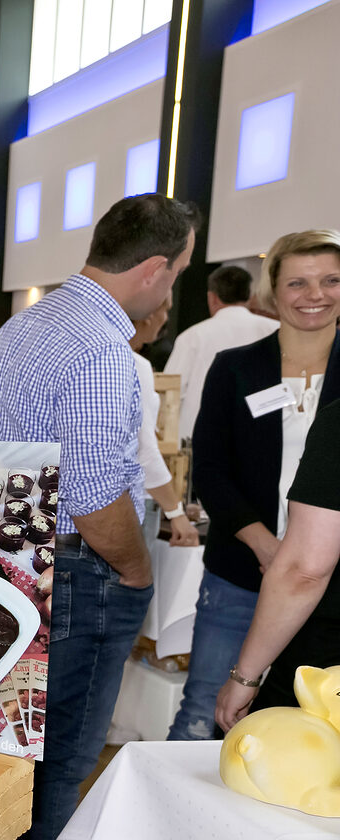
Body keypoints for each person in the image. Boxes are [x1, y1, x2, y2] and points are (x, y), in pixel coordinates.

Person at [0, 192, 200, 840]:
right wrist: (136, 569)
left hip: (16, 551)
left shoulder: (27, 325)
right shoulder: (104, 350)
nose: (173, 289)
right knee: (65, 755)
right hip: (81, 564)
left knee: (16, 746)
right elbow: (96, 490)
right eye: (177, 275)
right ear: (154, 269)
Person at [201, 232, 340, 728]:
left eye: (331, 280)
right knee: (207, 711)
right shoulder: (235, 368)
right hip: (241, 568)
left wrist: (299, 560)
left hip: (330, 586)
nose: (315, 295)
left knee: (309, 726)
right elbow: (210, 470)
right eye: (298, 282)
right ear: (272, 292)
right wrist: (265, 547)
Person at [164, 264, 273, 443]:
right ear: (249, 296)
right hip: (262, 433)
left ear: (212, 298)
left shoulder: (193, 336)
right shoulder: (274, 330)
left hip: (197, 438)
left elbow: (172, 390)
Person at [129, 297, 199, 547]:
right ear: (148, 315)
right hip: (133, 502)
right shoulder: (135, 365)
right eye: (166, 310)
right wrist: (175, 512)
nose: (166, 318)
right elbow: (143, 449)